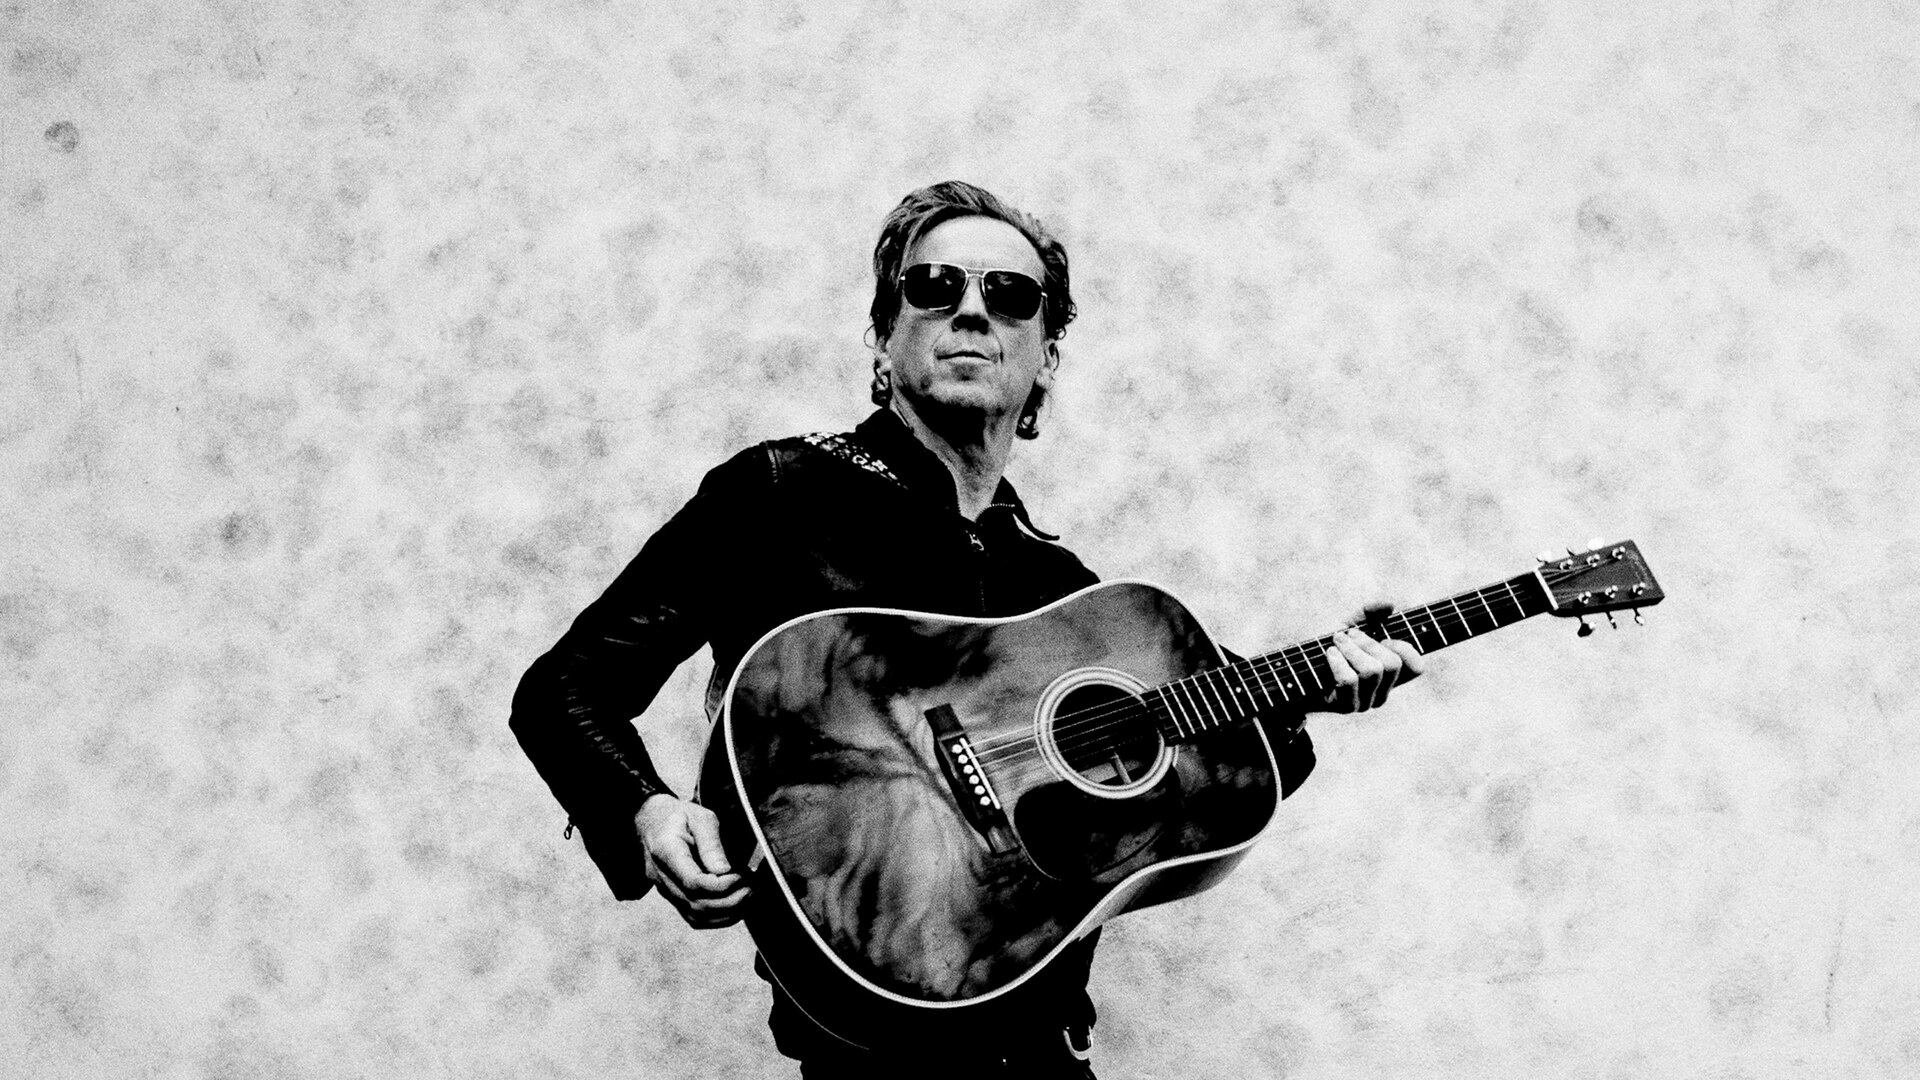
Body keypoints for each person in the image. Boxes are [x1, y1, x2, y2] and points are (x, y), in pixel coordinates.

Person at [508, 180, 1422, 1077]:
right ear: (884, 334)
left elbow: (1198, 797)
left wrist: (1314, 690)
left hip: (1048, 1054)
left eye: (1010, 295)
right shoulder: (779, 494)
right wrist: (646, 810)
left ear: (1046, 358)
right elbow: (563, 689)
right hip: (866, 1064)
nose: (972, 310)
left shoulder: (1069, 596)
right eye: (935, 286)